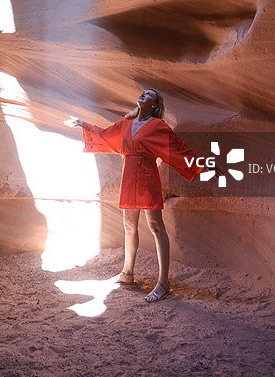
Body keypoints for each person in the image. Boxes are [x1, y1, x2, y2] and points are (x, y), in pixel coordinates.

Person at [63, 88, 222, 302]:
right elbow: (104, 135)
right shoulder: (126, 124)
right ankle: (127, 274)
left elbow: (180, 150)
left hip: (147, 178)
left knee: (156, 227)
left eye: (149, 95)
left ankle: (163, 283)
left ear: (155, 105)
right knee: (129, 226)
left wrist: (206, 164)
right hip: (128, 177)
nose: (143, 95)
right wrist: (82, 123)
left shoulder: (158, 126)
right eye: (143, 93)